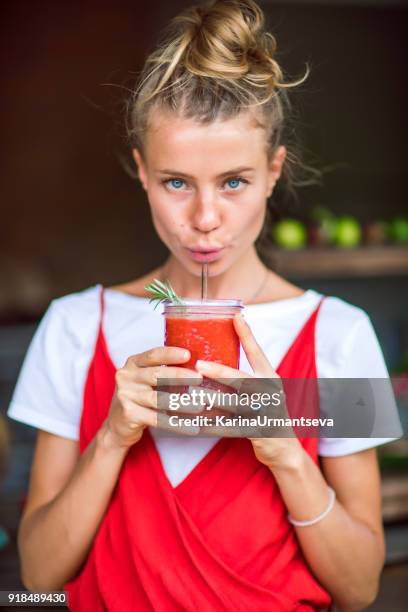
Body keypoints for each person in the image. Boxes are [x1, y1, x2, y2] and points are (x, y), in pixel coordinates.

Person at [7, 1, 402, 610]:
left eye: (234, 182)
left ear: (274, 171)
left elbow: (359, 587)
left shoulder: (342, 336)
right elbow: (38, 576)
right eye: (176, 183)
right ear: (141, 171)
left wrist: (285, 453)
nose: (206, 220)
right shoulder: (75, 326)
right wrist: (113, 436)